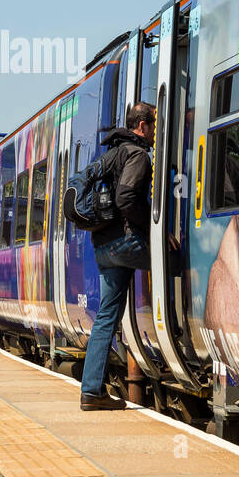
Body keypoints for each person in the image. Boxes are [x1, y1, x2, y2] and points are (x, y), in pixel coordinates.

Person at [80, 102, 155, 411]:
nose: (155, 132)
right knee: (179, 264)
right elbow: (126, 198)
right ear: (142, 126)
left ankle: (92, 390)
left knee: (107, 317)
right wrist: (155, 230)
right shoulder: (138, 155)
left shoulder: (111, 153)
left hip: (103, 245)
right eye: (154, 124)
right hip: (126, 243)